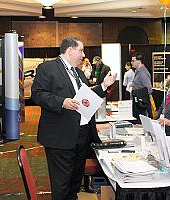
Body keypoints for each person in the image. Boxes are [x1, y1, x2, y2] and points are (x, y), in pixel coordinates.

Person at [31, 37, 117, 200]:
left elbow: (86, 98)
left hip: (82, 135)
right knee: (61, 185)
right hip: (60, 137)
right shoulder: (47, 68)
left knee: (74, 184)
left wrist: (104, 86)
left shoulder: (78, 73)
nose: (83, 55)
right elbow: (38, 94)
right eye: (81, 50)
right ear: (70, 50)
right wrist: (62, 102)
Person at [131, 52, 153, 121]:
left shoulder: (143, 73)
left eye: (133, 61)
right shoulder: (138, 71)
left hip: (141, 105)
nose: (131, 62)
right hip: (137, 103)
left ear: (139, 61)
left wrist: (139, 94)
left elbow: (149, 89)